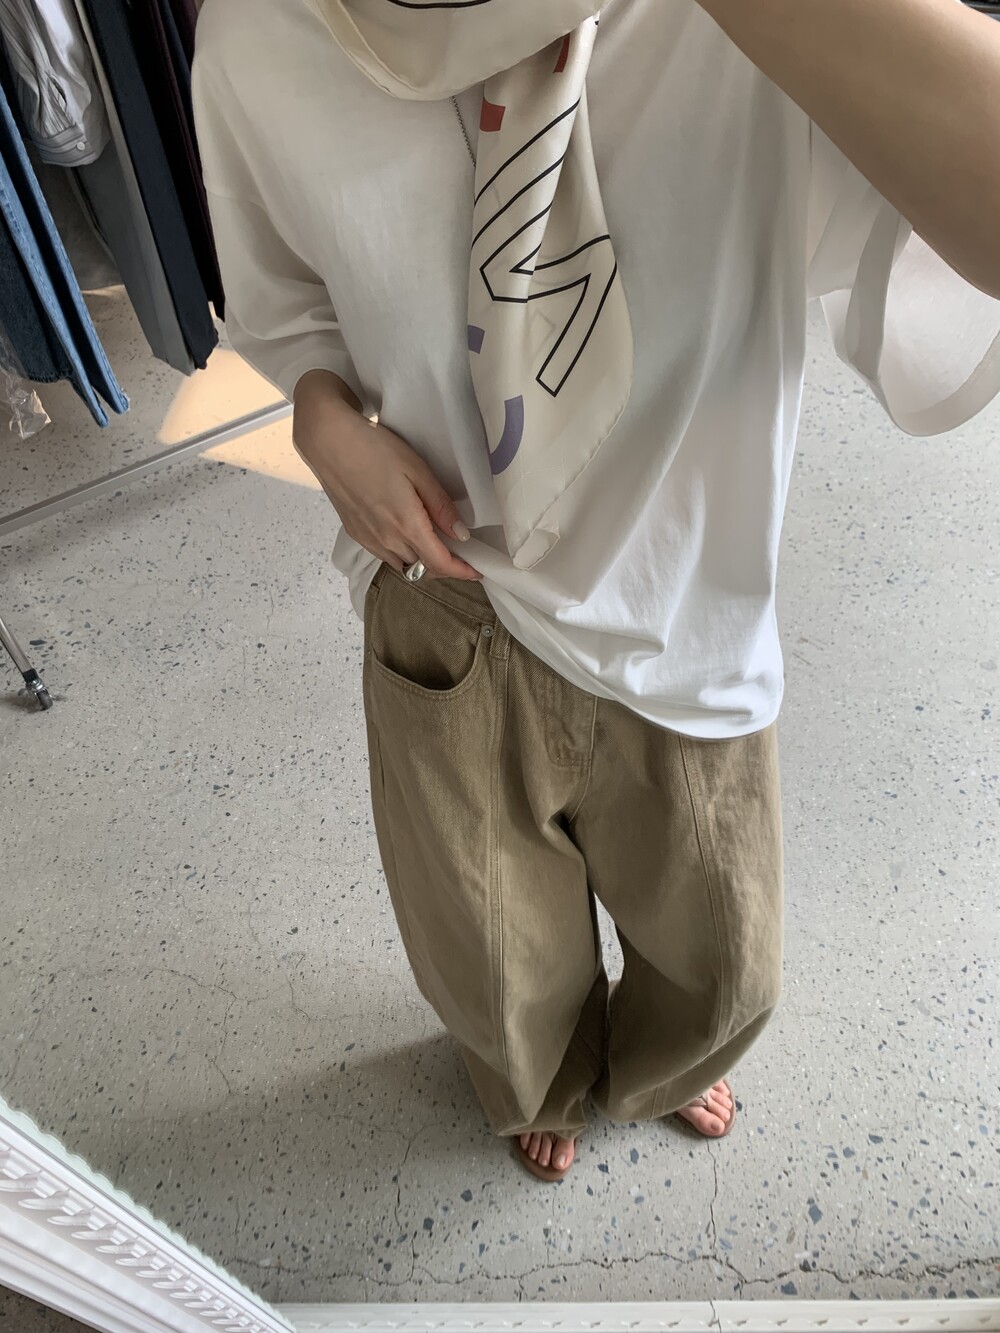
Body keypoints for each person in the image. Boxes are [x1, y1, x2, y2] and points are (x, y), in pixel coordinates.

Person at [191, 0, 1000, 1182]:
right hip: (442, 580)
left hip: (679, 588)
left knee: (722, 948)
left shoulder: (737, 29)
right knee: (488, 949)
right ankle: (541, 1078)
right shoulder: (261, 33)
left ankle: (667, 1058)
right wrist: (319, 414)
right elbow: (282, 293)